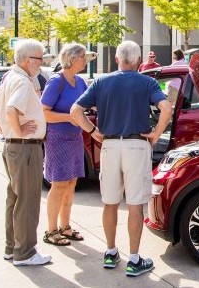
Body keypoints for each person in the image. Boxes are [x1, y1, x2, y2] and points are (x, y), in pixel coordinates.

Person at [70, 40, 171, 277]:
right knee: (135, 204)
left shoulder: (102, 82)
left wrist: (94, 131)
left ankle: (110, 251)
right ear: (138, 61)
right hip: (137, 145)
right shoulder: (147, 82)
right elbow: (166, 108)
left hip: (110, 145)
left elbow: (75, 110)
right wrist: (156, 133)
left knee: (110, 202)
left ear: (117, 59)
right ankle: (134, 259)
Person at [0, 39, 51, 267]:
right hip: (25, 148)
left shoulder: (12, 78)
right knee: (28, 200)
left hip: (14, 146)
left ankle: (12, 248)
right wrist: (18, 129)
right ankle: (25, 252)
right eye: (39, 59)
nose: (41, 64)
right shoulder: (22, 81)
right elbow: (12, 108)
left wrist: (4, 130)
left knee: (15, 198)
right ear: (26, 60)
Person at [40, 44, 88, 247]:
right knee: (59, 184)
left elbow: (88, 105)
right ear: (72, 59)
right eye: (83, 57)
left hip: (75, 138)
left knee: (71, 183)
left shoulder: (80, 82)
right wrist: (69, 118)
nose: (85, 60)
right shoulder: (56, 81)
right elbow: (44, 112)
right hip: (57, 139)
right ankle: (50, 230)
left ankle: (65, 226)